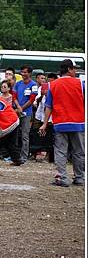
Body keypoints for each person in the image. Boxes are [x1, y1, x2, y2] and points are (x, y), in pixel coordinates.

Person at [39, 59, 85, 187]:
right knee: (79, 151)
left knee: (60, 151)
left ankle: (62, 178)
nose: (75, 71)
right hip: (78, 123)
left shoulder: (53, 85)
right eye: (74, 68)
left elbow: (48, 106)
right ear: (69, 69)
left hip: (60, 123)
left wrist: (44, 123)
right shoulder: (81, 83)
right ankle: (80, 177)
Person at [12, 65, 38, 163]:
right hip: (17, 112)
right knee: (14, 134)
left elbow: (32, 99)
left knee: (25, 135)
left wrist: (21, 108)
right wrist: (18, 107)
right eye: (22, 72)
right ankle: (14, 154)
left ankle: (24, 156)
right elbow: (14, 96)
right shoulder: (18, 84)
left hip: (27, 113)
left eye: (25, 72)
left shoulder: (33, 85)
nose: (23, 74)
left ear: (30, 73)